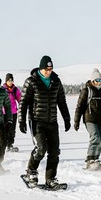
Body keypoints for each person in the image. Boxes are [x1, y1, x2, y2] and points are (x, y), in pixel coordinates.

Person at [19, 55, 71, 188]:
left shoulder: (56, 81)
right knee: (41, 148)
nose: (49, 72)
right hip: (37, 121)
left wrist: (66, 118)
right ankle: (31, 171)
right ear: (41, 69)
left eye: (51, 69)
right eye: (46, 70)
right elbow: (23, 103)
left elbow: (61, 101)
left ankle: (51, 179)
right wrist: (21, 120)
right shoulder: (31, 81)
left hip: (52, 121)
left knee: (54, 151)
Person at [3, 73, 22, 152]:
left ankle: (10, 145)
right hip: (4, 113)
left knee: (12, 130)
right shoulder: (2, 89)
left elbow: (20, 99)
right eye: (9, 80)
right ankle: (3, 145)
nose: (10, 82)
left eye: (11, 80)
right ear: (6, 81)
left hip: (13, 112)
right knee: (4, 129)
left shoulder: (15, 89)